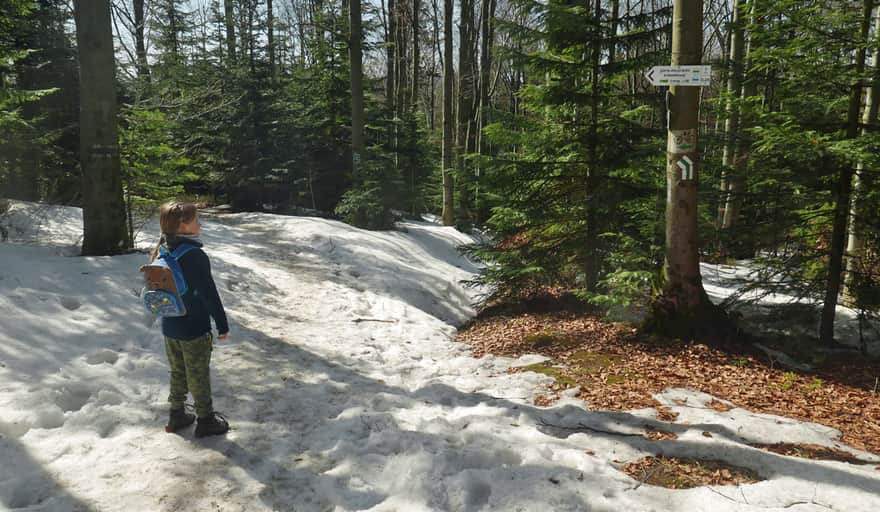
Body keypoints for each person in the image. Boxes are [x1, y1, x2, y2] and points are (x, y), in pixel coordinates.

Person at [151, 201, 230, 437]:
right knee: (197, 374)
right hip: (194, 326)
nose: (200, 223)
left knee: (177, 371)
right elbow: (208, 294)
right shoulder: (194, 255)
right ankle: (205, 420)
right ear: (183, 226)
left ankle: (176, 415)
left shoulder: (163, 248)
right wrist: (221, 323)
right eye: (196, 219)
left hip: (170, 324)